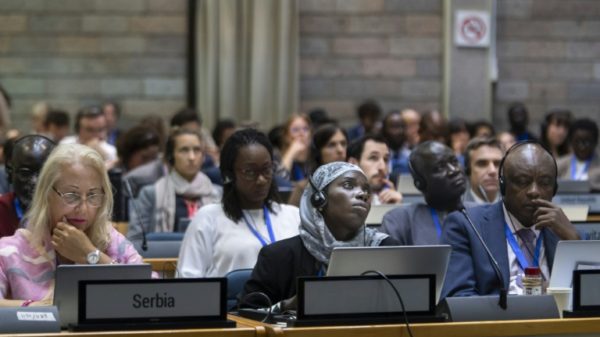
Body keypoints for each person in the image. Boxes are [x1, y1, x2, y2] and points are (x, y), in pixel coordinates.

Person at [0, 143, 146, 306]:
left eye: (93, 195)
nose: (83, 209)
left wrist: (91, 256)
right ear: (47, 194)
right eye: (71, 195)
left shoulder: (112, 241)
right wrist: (43, 308)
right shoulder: (11, 251)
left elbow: (150, 294)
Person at [241, 162, 397, 311]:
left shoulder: (386, 249)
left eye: (366, 190)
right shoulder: (278, 257)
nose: (363, 194)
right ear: (319, 199)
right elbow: (244, 315)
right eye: (348, 185)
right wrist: (286, 306)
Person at [441, 141, 580, 298]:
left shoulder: (563, 232)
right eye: (522, 181)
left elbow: (589, 299)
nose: (534, 192)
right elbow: (459, 298)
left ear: (554, 189)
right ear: (503, 186)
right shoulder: (466, 226)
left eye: (545, 183)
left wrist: (574, 243)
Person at [177, 129, 300, 277]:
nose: (261, 179)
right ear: (230, 175)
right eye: (250, 172)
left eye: (266, 170)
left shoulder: (293, 215)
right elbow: (187, 280)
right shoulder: (208, 218)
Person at [128, 128, 220, 247]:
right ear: (171, 156)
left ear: (203, 156)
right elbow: (135, 240)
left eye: (197, 150)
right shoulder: (151, 194)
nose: (192, 157)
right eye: (184, 150)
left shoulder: (218, 194)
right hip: (164, 261)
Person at [380, 141, 466, 245]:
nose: (454, 170)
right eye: (440, 167)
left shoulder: (482, 215)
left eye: (454, 162)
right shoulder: (399, 221)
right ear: (420, 183)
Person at [0, 135, 56, 237]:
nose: (35, 182)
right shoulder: (2, 210)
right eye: (25, 173)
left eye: (43, 174)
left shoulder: (66, 214)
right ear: (10, 172)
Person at [287, 123, 348, 206]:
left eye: (343, 144)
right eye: (331, 145)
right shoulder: (305, 188)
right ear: (318, 152)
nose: (340, 150)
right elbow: (293, 218)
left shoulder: (356, 183)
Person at [347, 135, 403, 205]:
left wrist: (395, 207)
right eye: (373, 158)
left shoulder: (388, 199)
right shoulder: (340, 200)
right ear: (353, 163)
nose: (382, 167)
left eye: (386, 159)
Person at [557, 118, 600, 188]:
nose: (582, 147)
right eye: (577, 142)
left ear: (595, 142)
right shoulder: (559, 164)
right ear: (570, 142)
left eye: (587, 142)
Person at [462, 137, 503, 204]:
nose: (492, 171)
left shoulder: (514, 205)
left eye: (497, 164)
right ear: (468, 170)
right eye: (482, 164)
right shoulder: (453, 209)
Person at [381, 110, 410, 178]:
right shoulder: (377, 159)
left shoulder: (412, 157)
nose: (399, 131)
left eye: (402, 126)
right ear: (384, 130)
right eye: (394, 127)